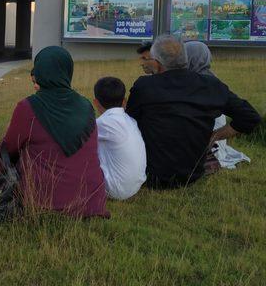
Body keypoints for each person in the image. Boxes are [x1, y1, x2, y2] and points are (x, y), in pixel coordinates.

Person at [0, 46, 109, 218]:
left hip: (44, 203)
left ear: (40, 72)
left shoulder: (29, 107)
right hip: (92, 202)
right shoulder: (86, 106)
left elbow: (8, 150)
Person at [126, 35, 260, 189]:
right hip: (192, 175)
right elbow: (250, 117)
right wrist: (213, 137)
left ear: (157, 61)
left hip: (149, 175)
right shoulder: (211, 85)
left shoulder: (144, 86)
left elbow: (130, 124)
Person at [184, 41, 251, 170]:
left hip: (206, 136)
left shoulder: (205, 83)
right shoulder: (210, 78)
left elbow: (248, 115)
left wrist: (213, 137)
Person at [93, 77, 146, 200]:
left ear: (95, 103)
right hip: (136, 185)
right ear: (124, 101)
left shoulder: (103, 123)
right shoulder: (131, 120)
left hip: (116, 190)